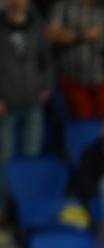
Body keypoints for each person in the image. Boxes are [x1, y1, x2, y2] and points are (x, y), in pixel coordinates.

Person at [0, 0, 53, 220]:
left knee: (31, 161)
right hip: (6, 105)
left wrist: (46, 86)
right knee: (5, 161)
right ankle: (4, 209)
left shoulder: (36, 26)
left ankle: (26, 213)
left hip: (33, 104)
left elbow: (47, 60)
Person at [46, 0, 104, 118]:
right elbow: (50, 34)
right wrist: (81, 35)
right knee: (81, 126)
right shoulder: (64, 5)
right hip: (74, 77)